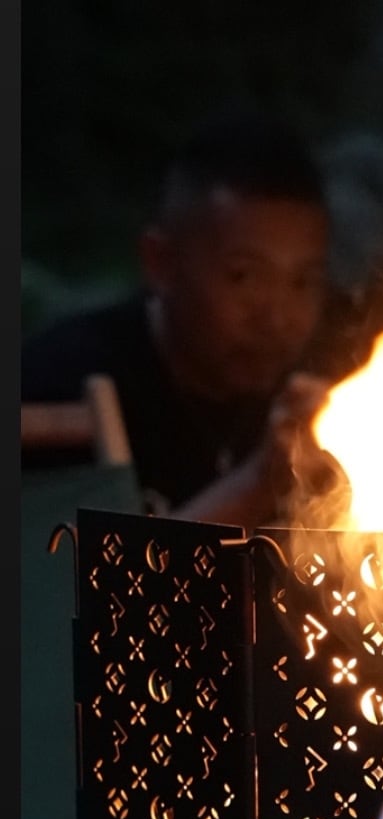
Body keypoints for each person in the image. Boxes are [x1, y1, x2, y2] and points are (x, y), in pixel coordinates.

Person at [22, 105, 337, 528]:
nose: (277, 319)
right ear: (161, 262)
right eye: (243, 277)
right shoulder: (59, 390)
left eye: (303, 282)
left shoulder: (315, 400)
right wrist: (258, 484)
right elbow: (59, 568)